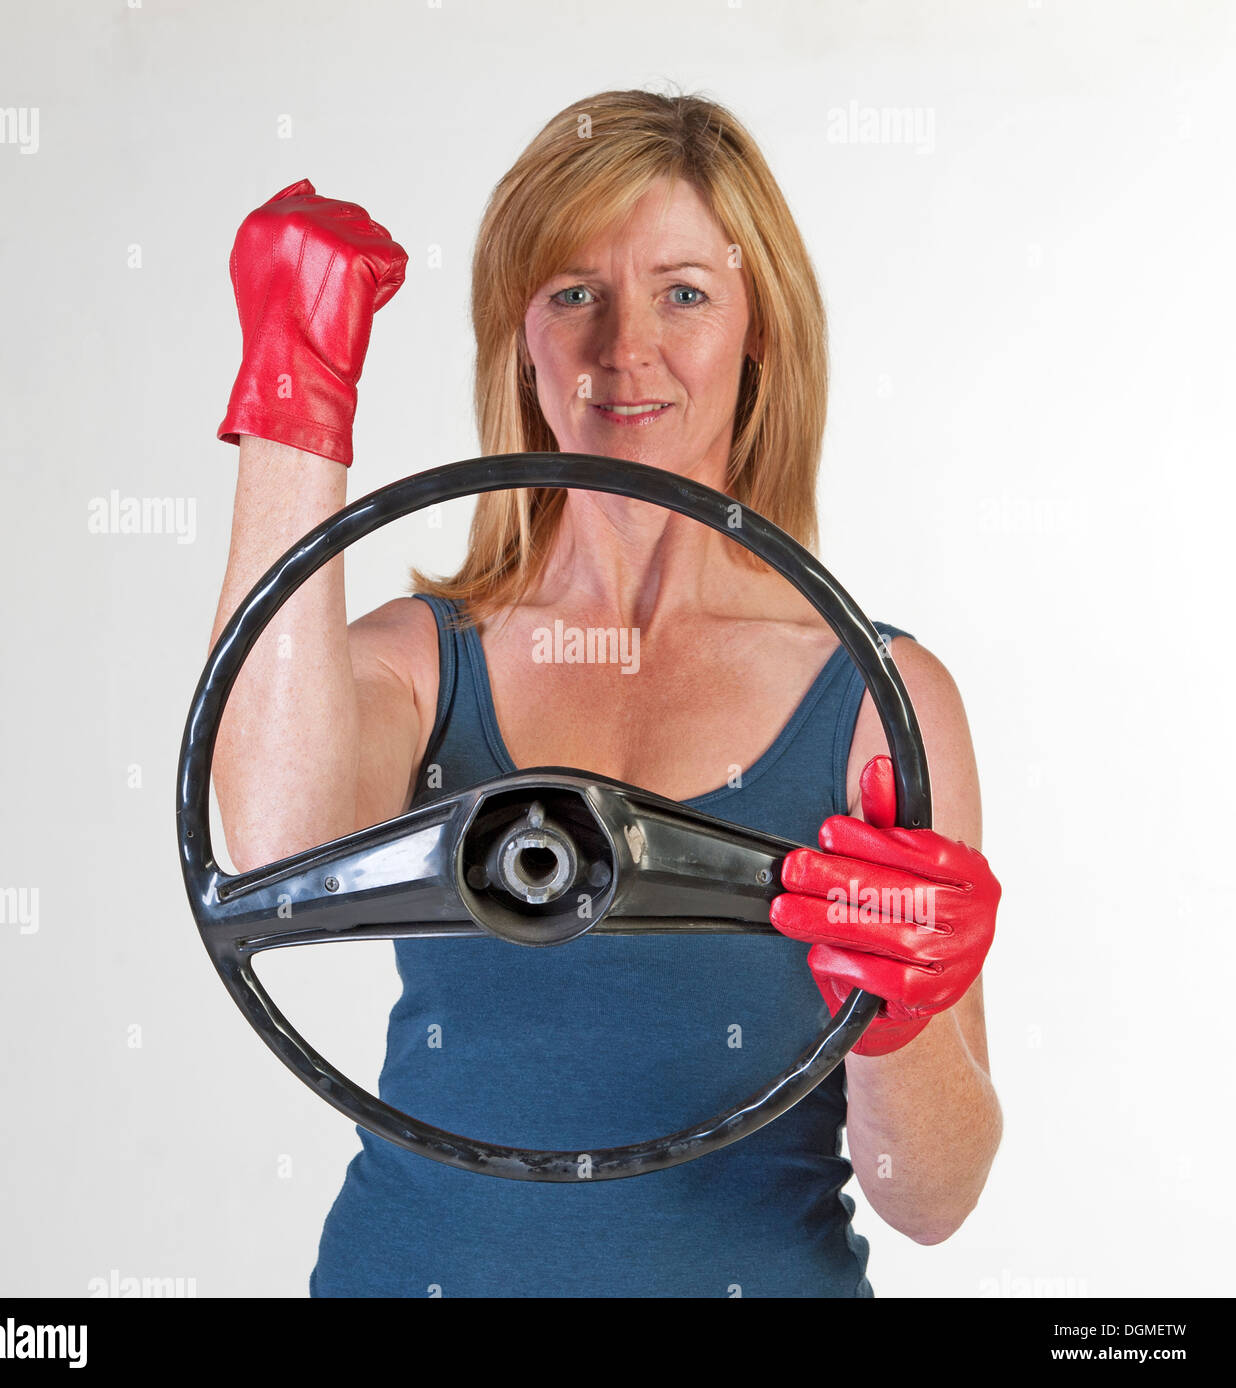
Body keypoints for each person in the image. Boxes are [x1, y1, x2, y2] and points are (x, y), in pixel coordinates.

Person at [209, 88, 1002, 1298]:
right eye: (573, 291)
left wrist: (896, 1019)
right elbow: (274, 836)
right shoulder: (432, 659)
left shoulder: (879, 702)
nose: (624, 345)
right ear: (520, 338)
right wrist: (291, 400)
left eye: (684, 291)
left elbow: (931, 1198)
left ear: (758, 335)